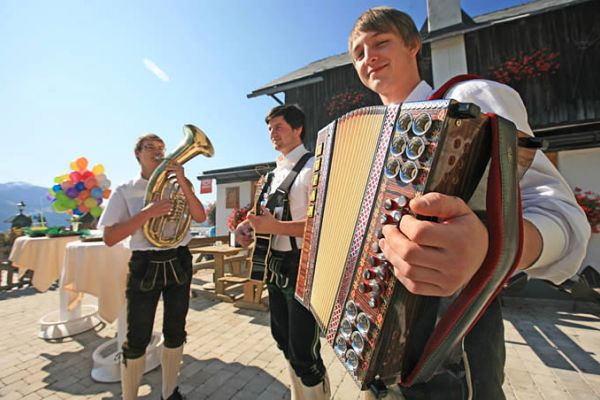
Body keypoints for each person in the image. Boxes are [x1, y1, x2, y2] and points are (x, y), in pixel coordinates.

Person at [348, 7, 590, 399]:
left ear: (413, 46)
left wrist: (493, 248)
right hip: (373, 341)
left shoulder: (467, 100)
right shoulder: (363, 143)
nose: (368, 57)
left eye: (380, 43)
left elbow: (562, 216)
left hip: (451, 345)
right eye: (358, 53)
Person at [99, 133, 206, 400]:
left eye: (161, 148)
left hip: (179, 259)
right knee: (137, 336)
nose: (158, 152)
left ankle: (169, 392)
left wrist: (182, 180)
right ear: (138, 153)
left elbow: (200, 216)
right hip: (145, 263)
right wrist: (148, 212)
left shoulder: (179, 184)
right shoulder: (125, 190)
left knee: (175, 331)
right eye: (150, 148)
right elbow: (110, 237)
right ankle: (129, 396)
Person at [235, 104, 331, 400]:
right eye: (269, 128)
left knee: (304, 350)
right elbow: (262, 217)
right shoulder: (271, 174)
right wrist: (246, 228)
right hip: (273, 265)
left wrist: (275, 227)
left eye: (278, 127)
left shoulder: (314, 166)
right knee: (282, 340)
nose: (271, 133)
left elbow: (325, 224)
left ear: (298, 129)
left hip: (303, 265)